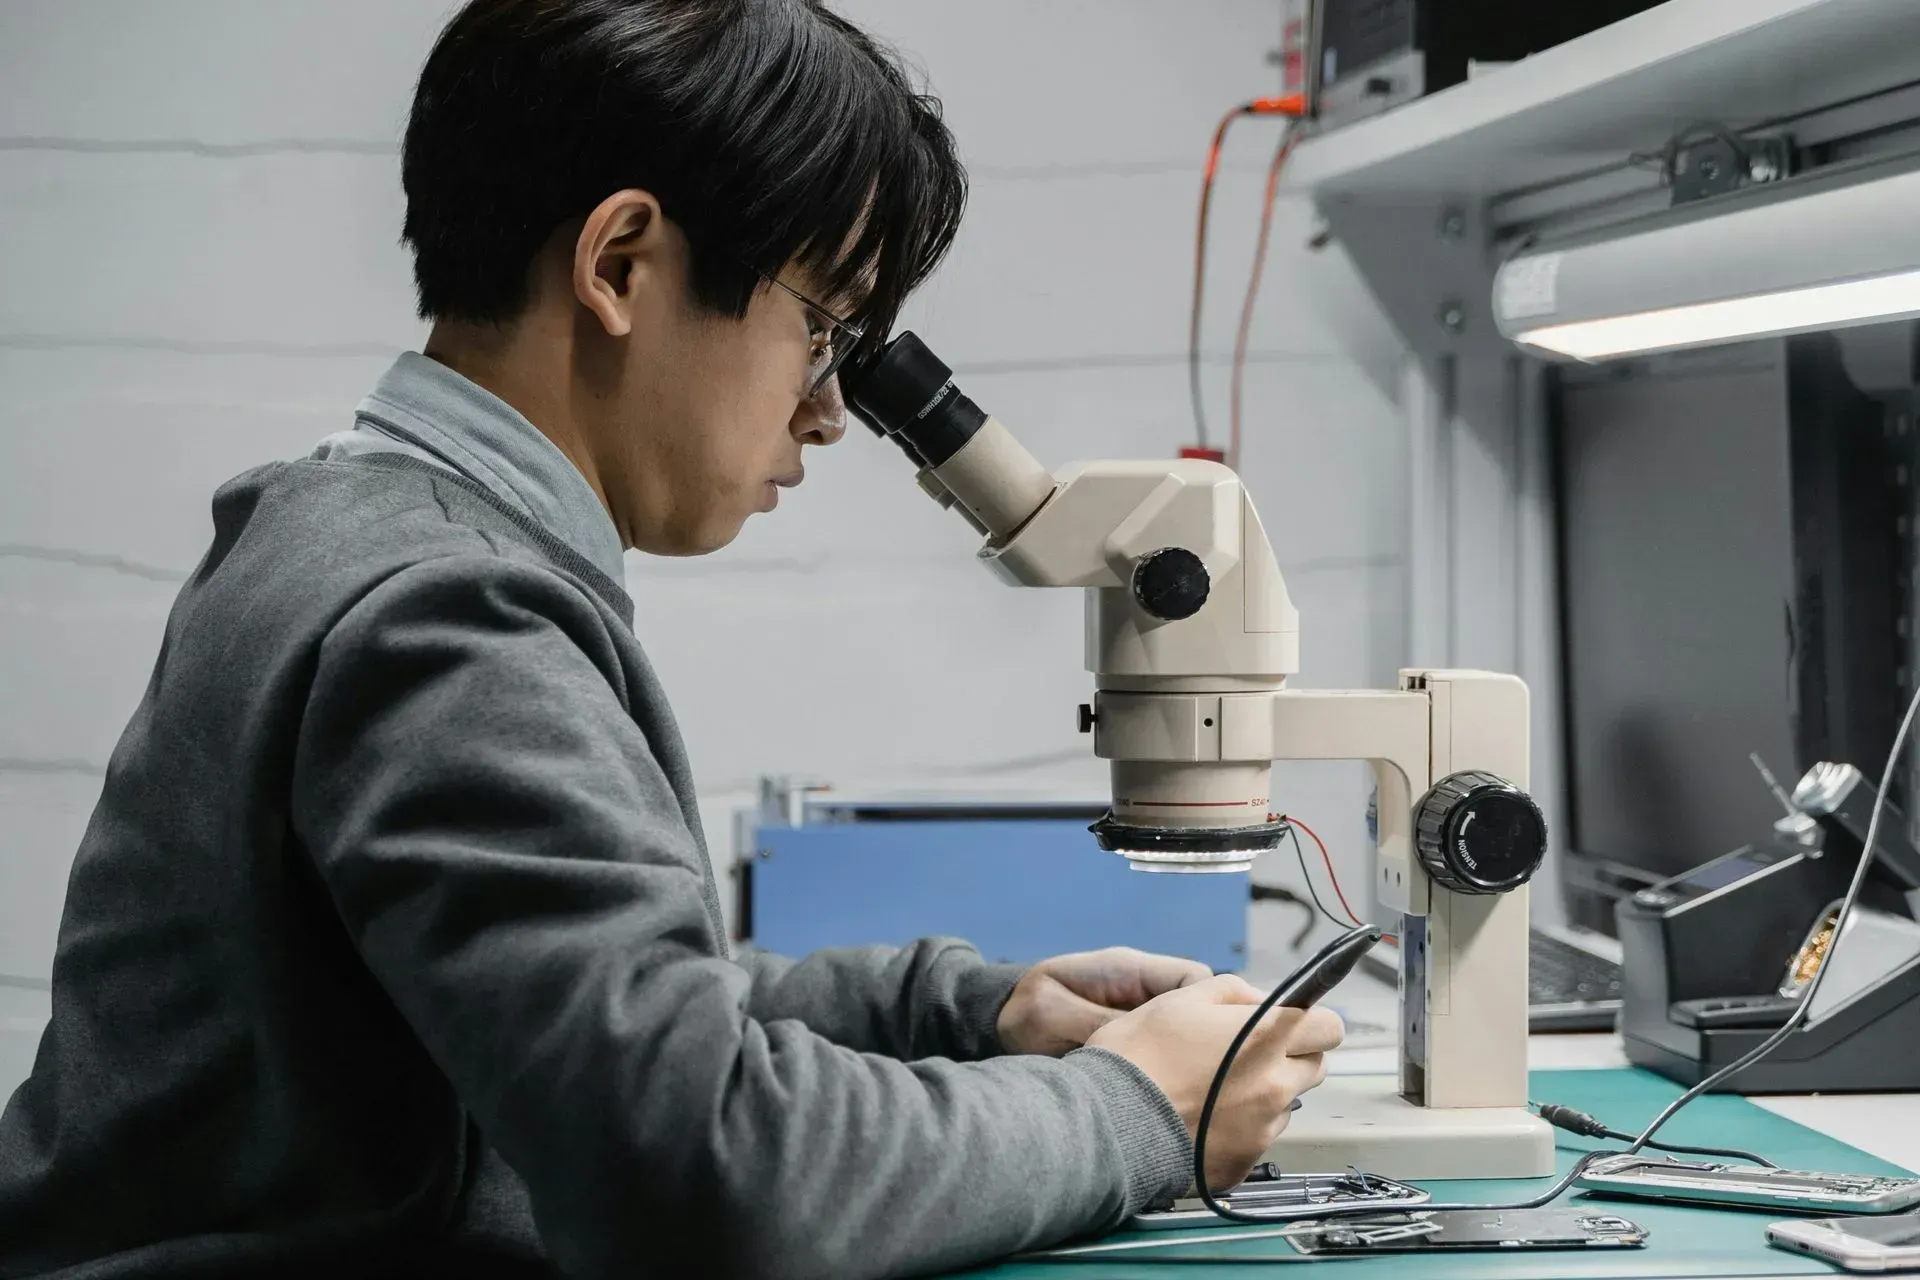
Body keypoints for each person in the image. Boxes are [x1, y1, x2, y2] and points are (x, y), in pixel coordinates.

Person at [0, 2, 1343, 1277]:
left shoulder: (351, 528)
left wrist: (972, 1012)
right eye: (820, 329)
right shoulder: (444, 619)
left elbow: (608, 1011)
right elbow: (711, 1177)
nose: (826, 414)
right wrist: (1135, 1112)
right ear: (622, 264)